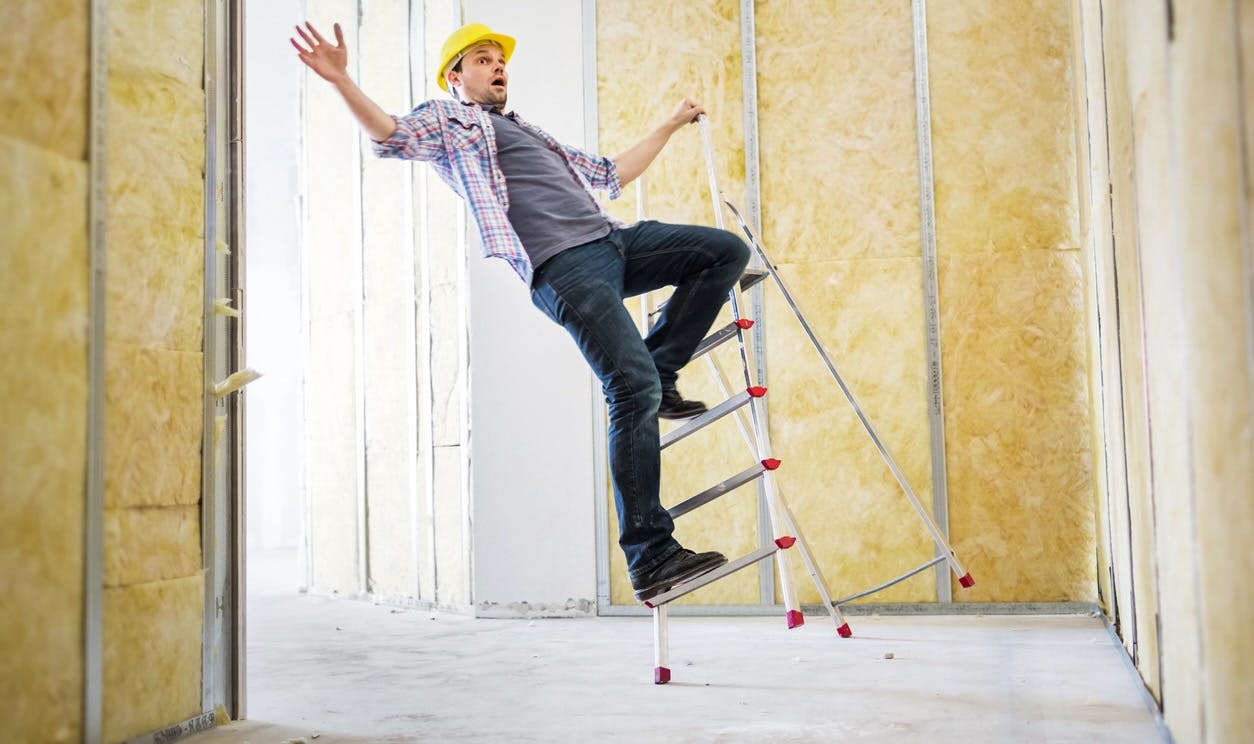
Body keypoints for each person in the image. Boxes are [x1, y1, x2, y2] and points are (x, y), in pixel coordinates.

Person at [291, 20, 750, 602]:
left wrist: (668, 123)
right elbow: (392, 134)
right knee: (630, 389)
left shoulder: (529, 132)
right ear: (457, 77)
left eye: (499, 59)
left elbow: (610, 174)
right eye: (481, 60)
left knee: (724, 251)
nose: (496, 66)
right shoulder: (450, 121)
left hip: (613, 243)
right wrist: (340, 80)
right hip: (565, 267)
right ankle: (652, 556)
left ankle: (663, 366)